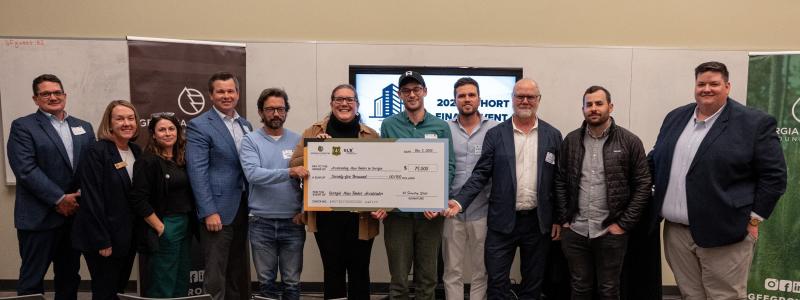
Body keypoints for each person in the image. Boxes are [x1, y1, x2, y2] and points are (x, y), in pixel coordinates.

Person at [649, 61, 787, 299]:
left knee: (724, 296)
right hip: (676, 234)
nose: (707, 89)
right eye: (701, 83)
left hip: (726, 232)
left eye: (714, 84)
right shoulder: (676, 117)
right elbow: (656, 158)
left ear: (727, 86)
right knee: (691, 295)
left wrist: (754, 219)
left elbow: (774, 176)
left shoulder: (753, 123)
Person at [445, 78, 563, 300]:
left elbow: (558, 181)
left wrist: (558, 217)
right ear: (512, 99)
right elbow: (480, 174)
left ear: (538, 100)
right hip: (502, 222)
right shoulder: (496, 134)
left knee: (533, 283)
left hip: (538, 223)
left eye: (530, 97)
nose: (525, 101)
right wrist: (460, 201)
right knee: (497, 284)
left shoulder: (553, 135)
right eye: (520, 96)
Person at [554, 86, 651, 300]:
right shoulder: (571, 141)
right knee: (579, 287)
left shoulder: (630, 141)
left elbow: (643, 185)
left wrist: (623, 224)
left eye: (599, 103)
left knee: (608, 289)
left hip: (610, 231)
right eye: (589, 105)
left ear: (610, 106)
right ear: (583, 109)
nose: (594, 109)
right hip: (576, 230)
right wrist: (565, 221)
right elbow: (560, 181)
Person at [289, 84, 384, 300]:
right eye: (339, 99)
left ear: (357, 105)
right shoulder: (314, 132)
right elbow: (294, 164)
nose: (344, 103)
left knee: (360, 272)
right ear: (331, 103)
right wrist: (316, 151)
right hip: (326, 218)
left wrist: (383, 204)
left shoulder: (371, 135)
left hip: (361, 218)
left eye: (349, 99)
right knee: (333, 272)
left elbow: (382, 173)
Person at [7, 74, 94, 300]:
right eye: (46, 93)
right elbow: (26, 169)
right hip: (39, 218)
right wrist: (59, 199)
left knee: (69, 278)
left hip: (74, 217)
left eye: (57, 92)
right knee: (31, 280)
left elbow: (92, 169)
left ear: (65, 95)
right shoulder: (23, 126)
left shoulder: (84, 127)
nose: (53, 97)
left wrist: (78, 197)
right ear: (36, 99)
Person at [380, 71, 455, 300]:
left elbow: (449, 166)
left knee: (427, 279)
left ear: (424, 91)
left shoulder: (440, 126)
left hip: (429, 216)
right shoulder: (389, 125)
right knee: (399, 280)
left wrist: (437, 199)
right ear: (400, 95)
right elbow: (384, 165)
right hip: (398, 216)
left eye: (416, 89)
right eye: (406, 91)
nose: (411, 94)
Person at [186, 72, 253, 300]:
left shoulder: (246, 124)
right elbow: (197, 171)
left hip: (243, 208)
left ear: (238, 93)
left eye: (231, 91)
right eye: (220, 91)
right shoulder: (199, 125)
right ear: (211, 95)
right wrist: (209, 210)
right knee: (215, 274)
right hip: (217, 211)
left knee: (236, 270)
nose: (227, 95)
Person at [240, 88, 305, 300]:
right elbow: (253, 174)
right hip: (261, 222)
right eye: (270, 109)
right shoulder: (250, 140)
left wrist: (304, 210)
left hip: (293, 222)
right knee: (266, 282)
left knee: (292, 283)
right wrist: (289, 172)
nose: (276, 114)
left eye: (280, 109)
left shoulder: (299, 140)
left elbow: (311, 179)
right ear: (261, 112)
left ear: (286, 111)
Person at [72, 100, 141, 300]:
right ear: (109, 124)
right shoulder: (97, 151)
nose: (126, 123)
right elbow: (92, 199)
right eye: (120, 119)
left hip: (126, 237)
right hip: (103, 239)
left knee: (117, 289)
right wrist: (102, 240)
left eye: (131, 118)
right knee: (104, 292)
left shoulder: (136, 151)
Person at [442, 77, 497, 300]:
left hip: (483, 211)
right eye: (461, 95)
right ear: (454, 100)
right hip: (450, 211)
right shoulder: (444, 128)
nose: (467, 99)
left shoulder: (495, 129)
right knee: (451, 270)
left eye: (471, 95)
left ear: (479, 98)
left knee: (480, 270)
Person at [128, 113, 194, 298]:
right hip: (165, 225)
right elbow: (138, 199)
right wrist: (160, 227)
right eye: (162, 130)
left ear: (178, 132)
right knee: (163, 282)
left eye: (171, 129)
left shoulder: (182, 160)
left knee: (182, 278)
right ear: (153, 135)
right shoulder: (147, 161)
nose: (167, 133)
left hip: (185, 224)